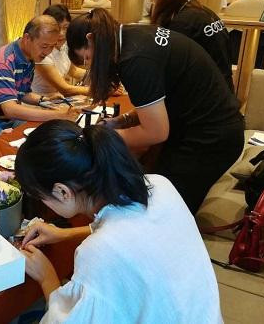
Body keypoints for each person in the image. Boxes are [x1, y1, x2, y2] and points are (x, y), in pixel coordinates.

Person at [16, 121, 222, 323]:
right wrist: (65, 234)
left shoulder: (97, 254)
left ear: (62, 191)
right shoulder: (160, 185)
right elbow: (132, 233)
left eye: (40, 196)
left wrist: (47, 277)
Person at [66, 9, 244, 214]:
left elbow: (156, 132)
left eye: (87, 58)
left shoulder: (134, 59)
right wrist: (122, 121)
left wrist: (101, 136)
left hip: (212, 139)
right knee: (151, 181)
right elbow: (159, 106)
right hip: (206, 127)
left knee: (160, 207)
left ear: (91, 39)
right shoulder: (133, 37)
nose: (90, 66)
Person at [0, 15, 79, 136]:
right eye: (44, 46)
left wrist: (43, 100)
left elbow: (22, 93)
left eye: (52, 47)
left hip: (8, 120)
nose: (47, 52)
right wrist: (59, 115)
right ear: (27, 38)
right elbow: (10, 109)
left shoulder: (29, 57)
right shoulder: (3, 62)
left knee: (51, 131)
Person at [149, 0, 233, 91]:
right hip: (224, 91)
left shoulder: (182, 25)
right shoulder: (204, 12)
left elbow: (171, 73)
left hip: (206, 96)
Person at [31, 4, 88, 97]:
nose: (61, 33)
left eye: (65, 27)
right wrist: (98, 90)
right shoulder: (41, 52)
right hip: (38, 101)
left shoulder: (64, 46)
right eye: (57, 28)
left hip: (58, 98)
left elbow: (73, 71)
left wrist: (98, 76)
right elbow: (65, 89)